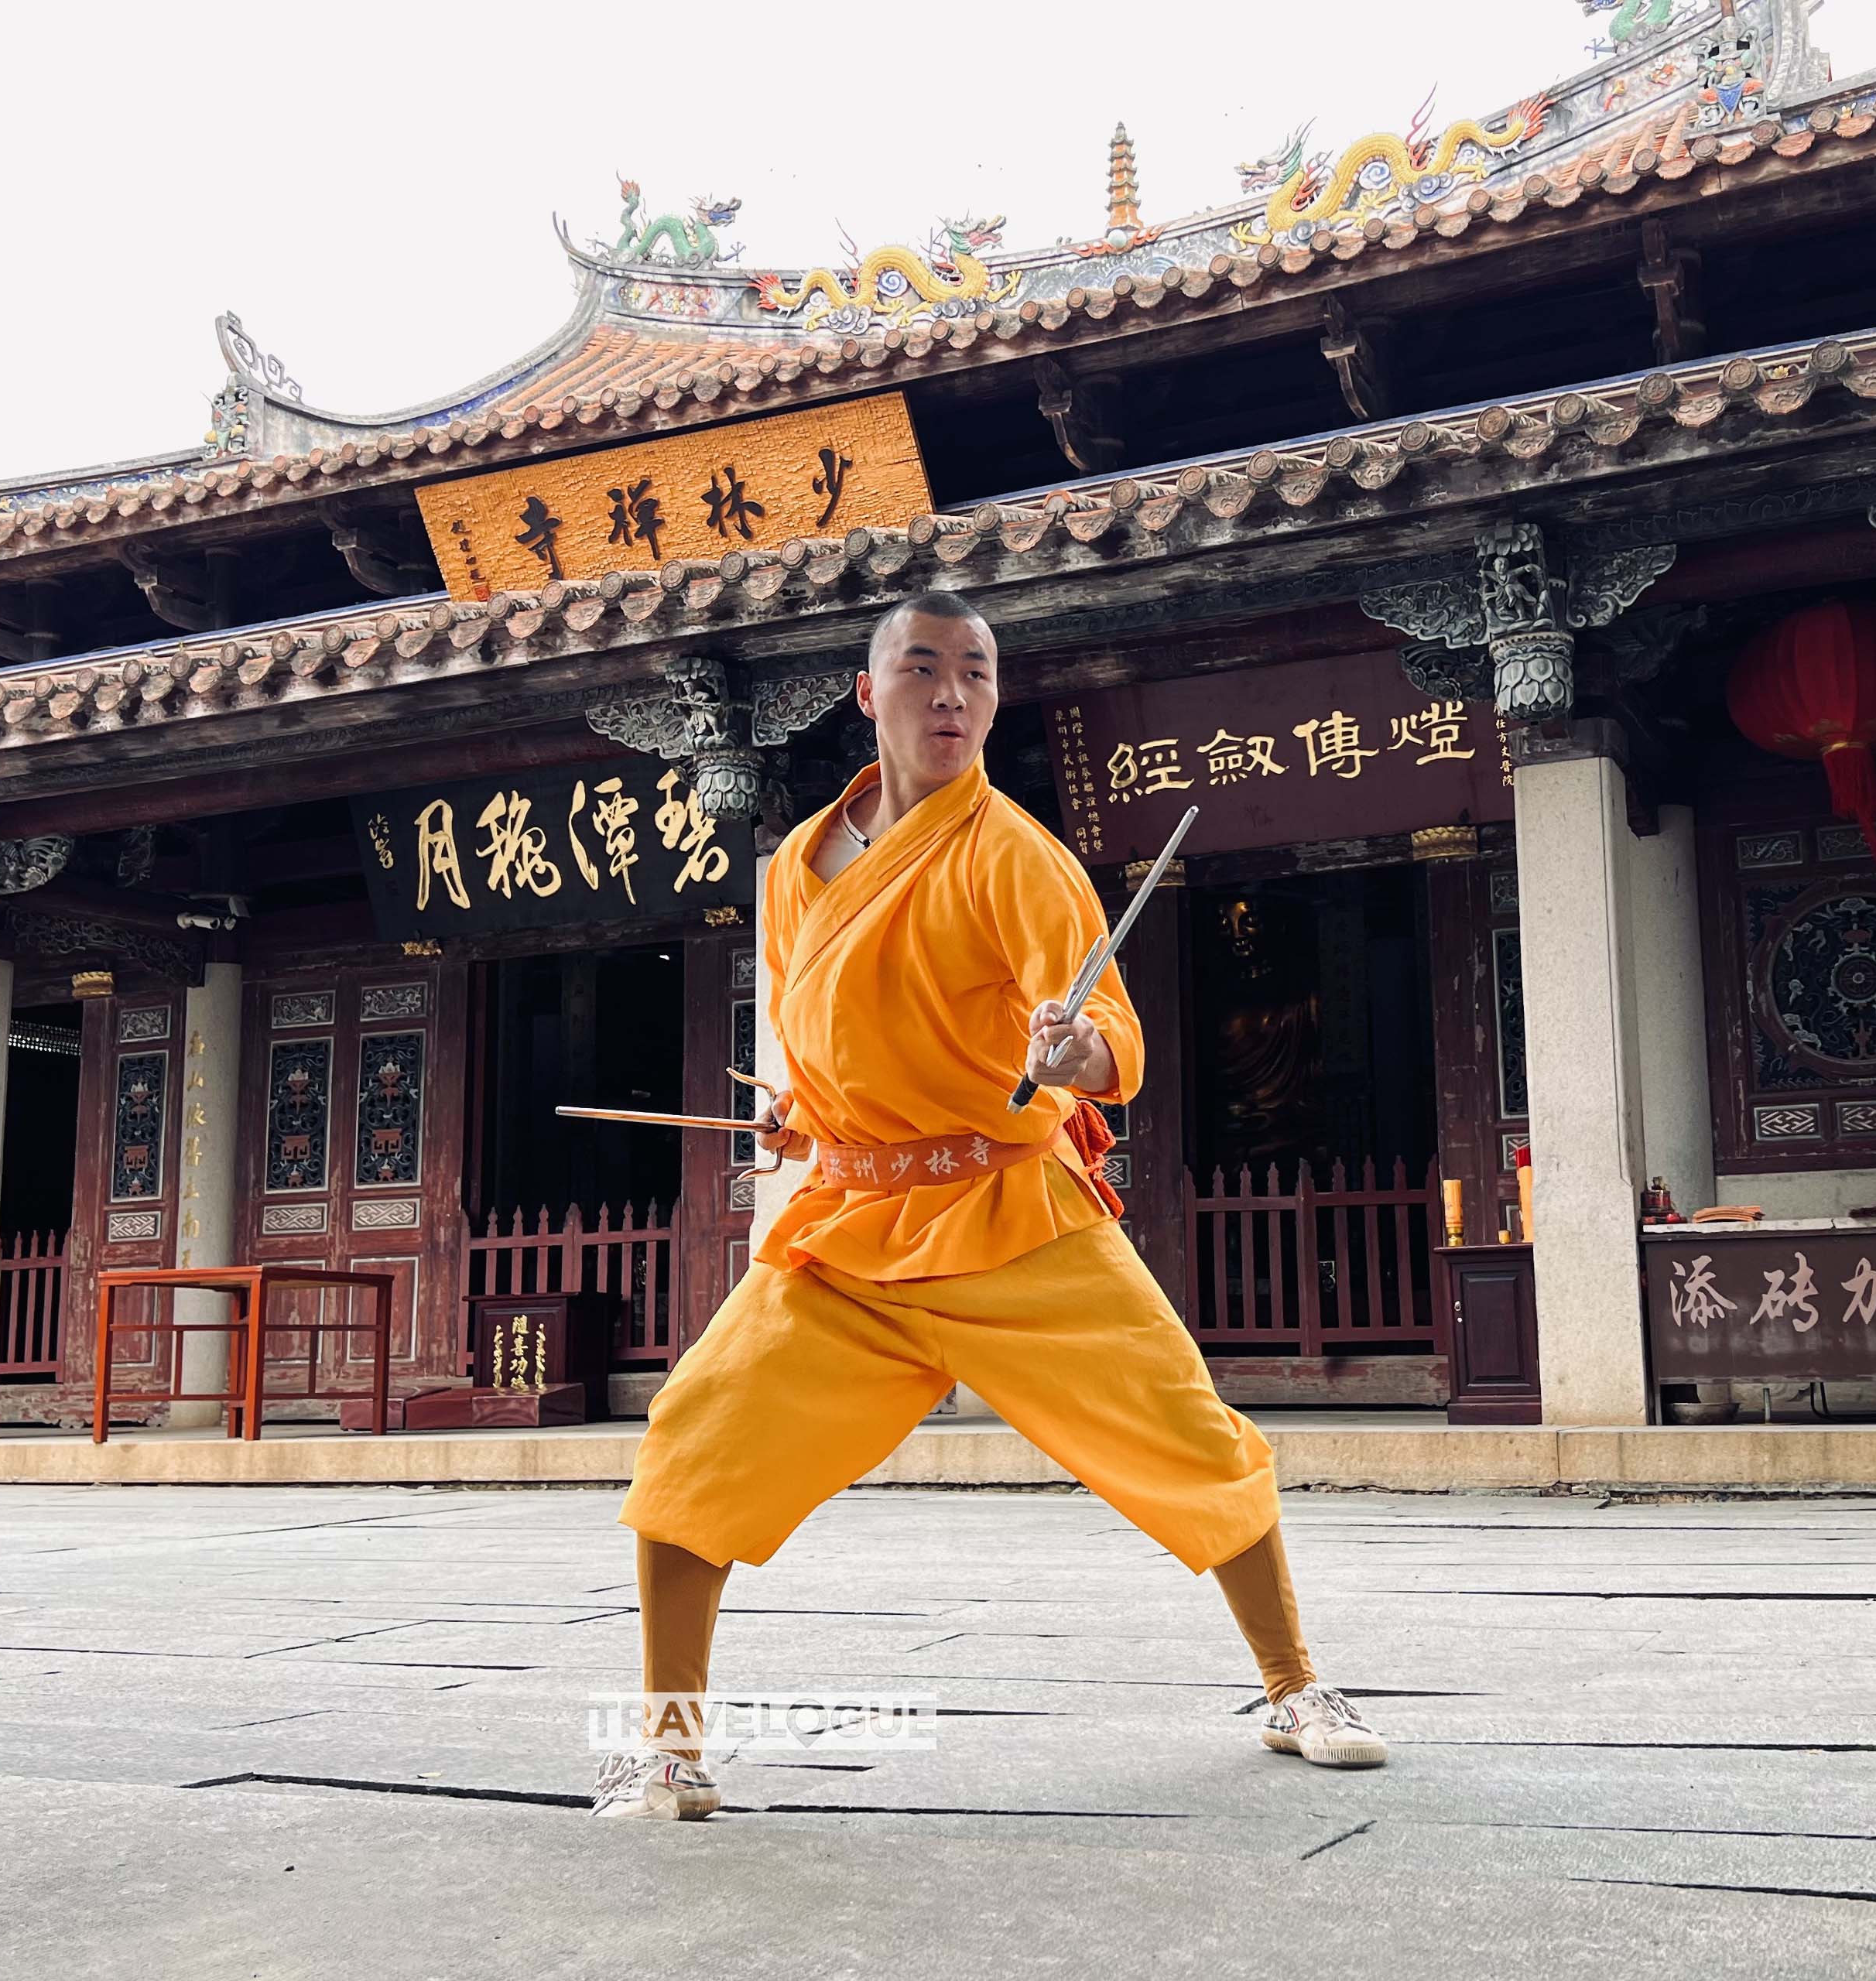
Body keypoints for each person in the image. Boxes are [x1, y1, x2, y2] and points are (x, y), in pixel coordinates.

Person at [591, 592, 1385, 1821]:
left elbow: (1105, 1025)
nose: (951, 695)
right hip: (850, 1235)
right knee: (691, 1447)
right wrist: (803, 1116)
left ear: (996, 699)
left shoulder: (1017, 854)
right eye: (923, 669)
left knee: (1190, 1436)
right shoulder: (802, 862)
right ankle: (672, 1747)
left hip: (1010, 1216)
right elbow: (822, 1032)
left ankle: (1296, 1688)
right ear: (870, 694)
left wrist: (1073, 1058)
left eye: (975, 672)